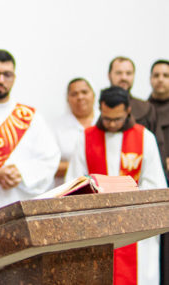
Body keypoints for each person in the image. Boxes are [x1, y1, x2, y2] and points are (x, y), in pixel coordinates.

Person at [66, 86, 167, 285]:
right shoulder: (86, 138)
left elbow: (155, 184)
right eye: (107, 118)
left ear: (128, 111)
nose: (112, 124)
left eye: (117, 119)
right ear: (100, 110)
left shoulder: (144, 137)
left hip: (135, 228)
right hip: (96, 226)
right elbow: (74, 183)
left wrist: (126, 201)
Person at [0, 49, 60, 213]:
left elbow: (50, 158)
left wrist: (22, 173)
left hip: (20, 203)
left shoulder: (31, 117)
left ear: (14, 78)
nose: (0, 80)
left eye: (7, 74)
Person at [108, 56, 166, 171]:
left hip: (140, 172)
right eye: (119, 73)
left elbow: (159, 147)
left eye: (128, 73)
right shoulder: (100, 107)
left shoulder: (146, 108)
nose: (123, 77)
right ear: (109, 75)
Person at [52, 78, 99, 178]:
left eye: (84, 92)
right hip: (69, 189)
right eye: (74, 94)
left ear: (94, 96)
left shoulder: (107, 122)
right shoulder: (55, 128)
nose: (80, 97)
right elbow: (50, 166)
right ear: (67, 99)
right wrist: (85, 167)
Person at [148, 59, 169, 285]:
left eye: (166, 75)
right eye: (156, 75)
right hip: (156, 186)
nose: (160, 80)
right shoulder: (144, 110)